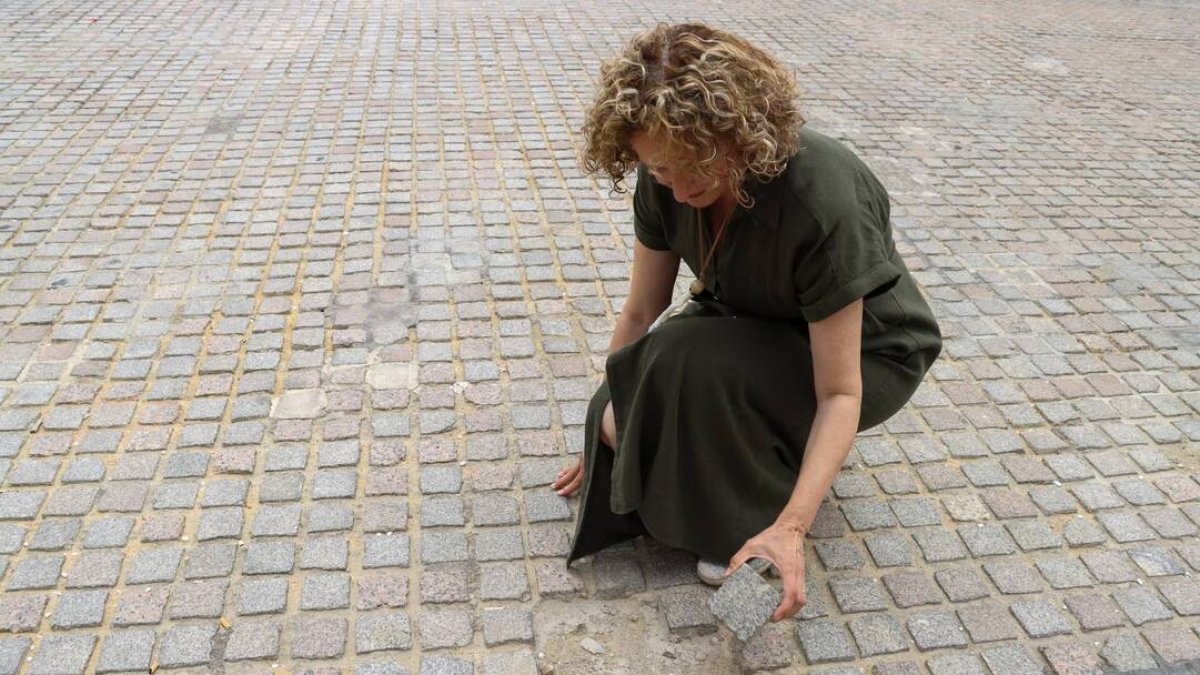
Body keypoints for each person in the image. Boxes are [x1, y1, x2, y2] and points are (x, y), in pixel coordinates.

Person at [550, 22, 941, 622]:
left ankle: (758, 503)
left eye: (691, 167)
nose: (677, 190)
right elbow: (641, 310)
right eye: (659, 171)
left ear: (738, 134)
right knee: (612, 416)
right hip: (747, 319)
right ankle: (770, 448)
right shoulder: (665, 179)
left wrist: (792, 527)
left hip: (867, 351)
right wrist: (612, 413)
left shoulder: (820, 196)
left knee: (690, 362)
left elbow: (839, 392)